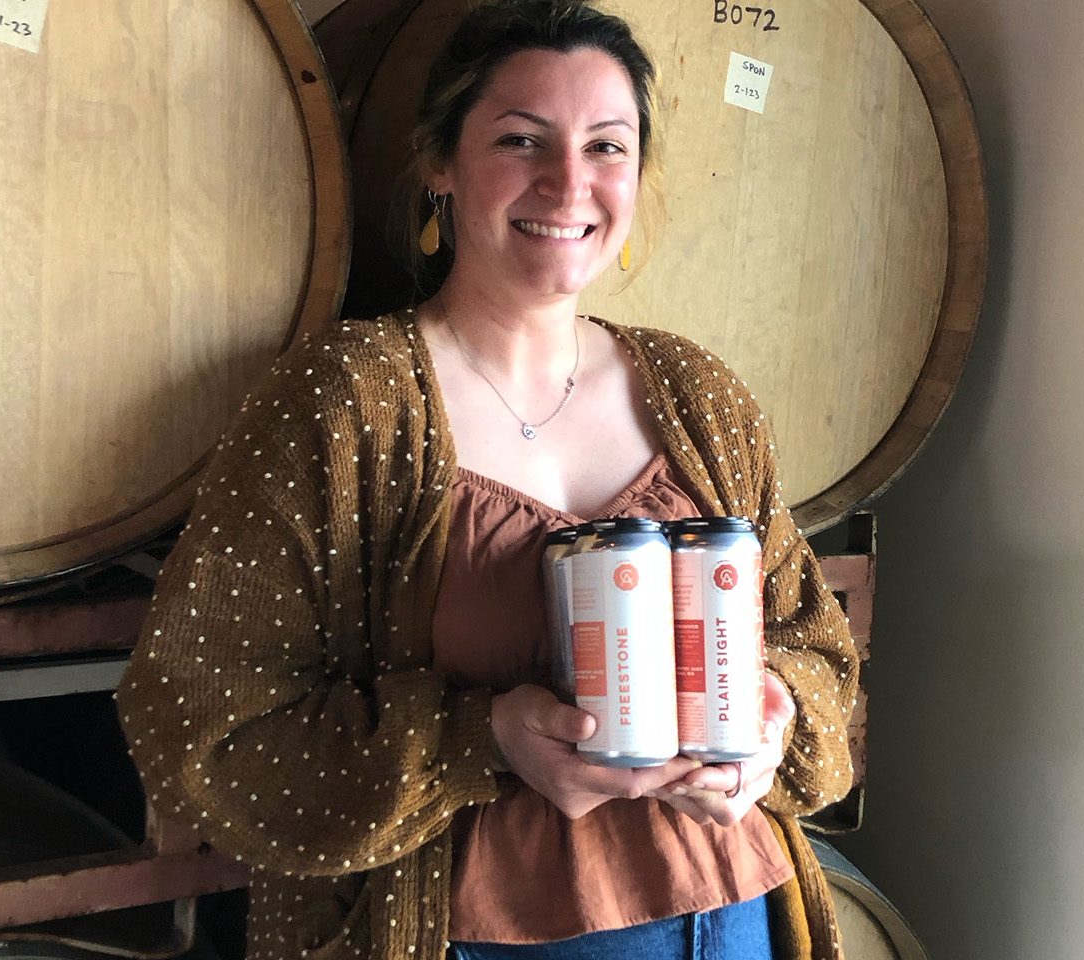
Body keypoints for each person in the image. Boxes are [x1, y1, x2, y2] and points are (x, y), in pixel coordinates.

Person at [116, 2, 861, 958]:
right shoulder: (346, 399)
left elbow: (818, 651)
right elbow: (200, 719)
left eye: (607, 145)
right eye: (521, 140)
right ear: (439, 163)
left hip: (740, 913)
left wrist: (771, 717)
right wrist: (483, 739)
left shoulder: (696, 392)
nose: (568, 182)